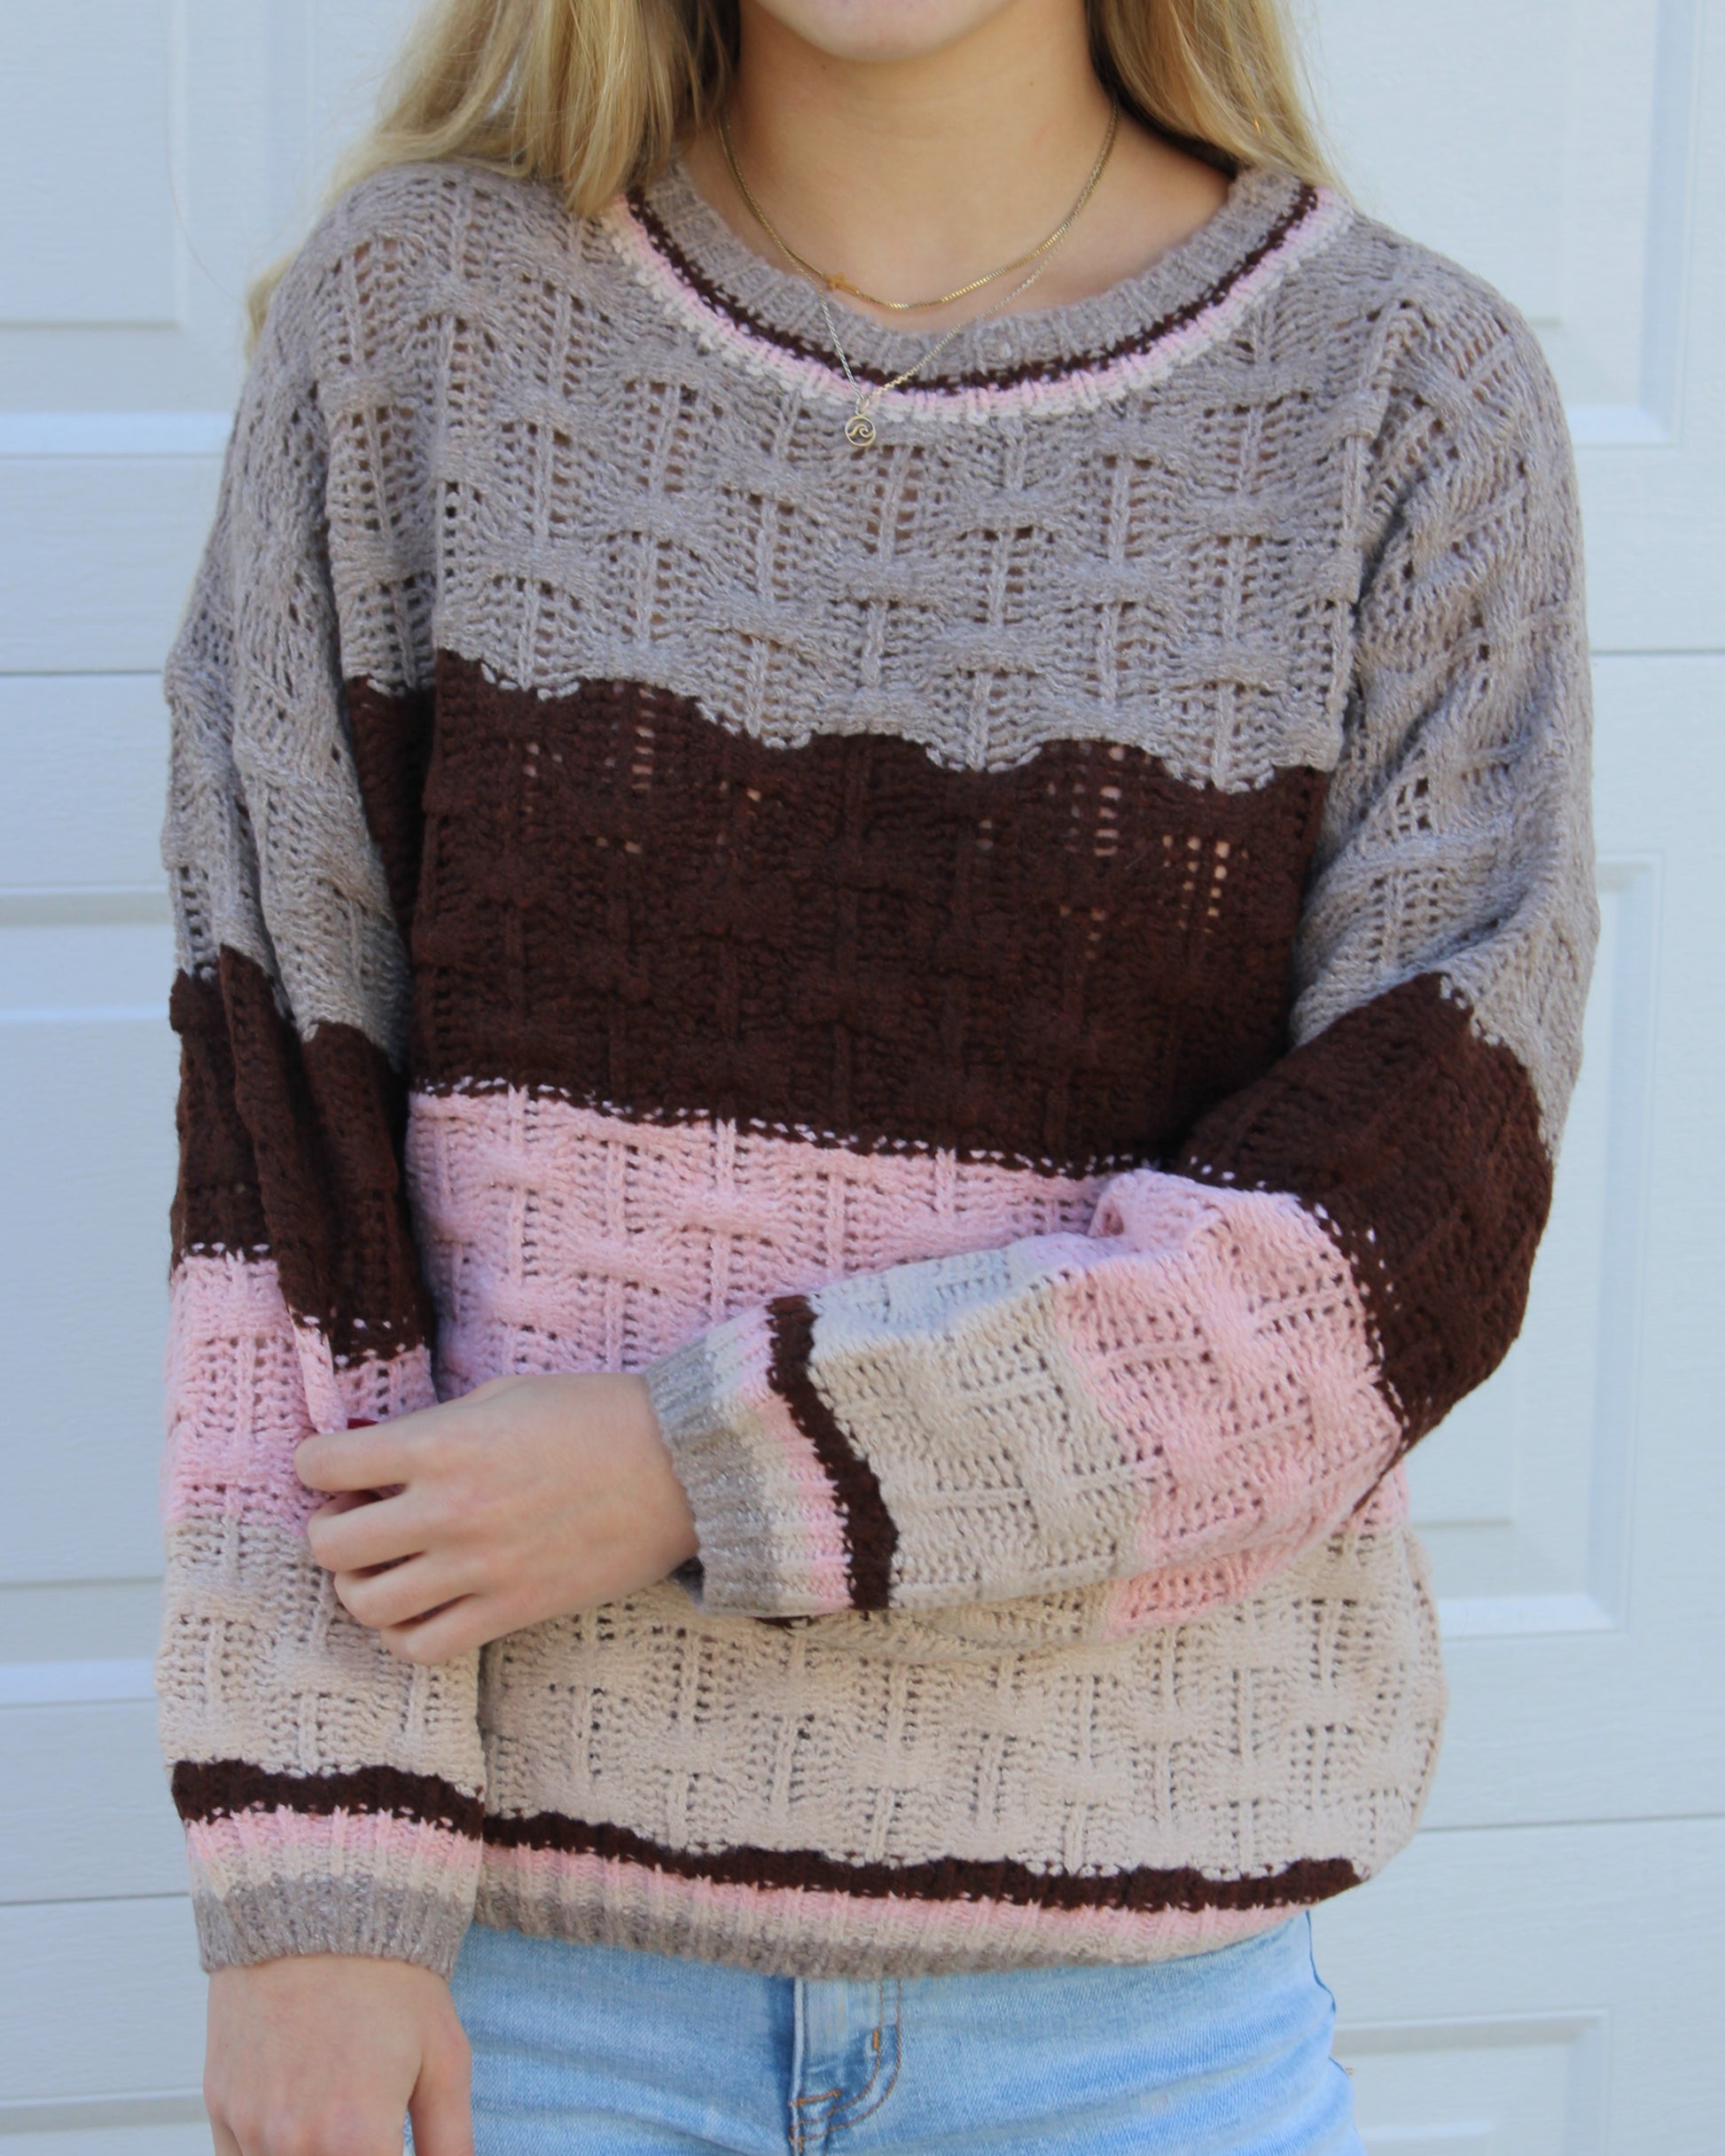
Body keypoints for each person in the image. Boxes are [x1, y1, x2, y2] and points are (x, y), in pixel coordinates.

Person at [154, 0, 1597, 2146]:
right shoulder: (422, 322)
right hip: (520, 2001)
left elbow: (1394, 1249)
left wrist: (699, 1461)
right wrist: (307, 1886)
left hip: (1131, 2029)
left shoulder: (1398, 392)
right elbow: (281, 1173)